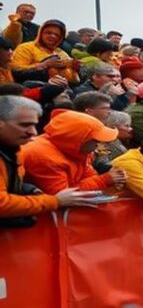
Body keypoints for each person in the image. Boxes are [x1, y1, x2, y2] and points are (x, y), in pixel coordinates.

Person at [0, 96, 102, 224]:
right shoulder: (39, 152)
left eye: (34, 125)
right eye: (24, 125)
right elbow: (2, 204)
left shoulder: (13, 150)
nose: (33, 132)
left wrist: (28, 189)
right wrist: (55, 201)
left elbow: (10, 185)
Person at [20, 110, 127, 195]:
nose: (98, 145)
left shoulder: (77, 150)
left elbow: (89, 176)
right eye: (95, 140)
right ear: (77, 139)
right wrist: (104, 180)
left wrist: (112, 180)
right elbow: (62, 196)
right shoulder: (43, 155)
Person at [9, 19, 80, 85]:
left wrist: (75, 69)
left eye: (56, 35)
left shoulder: (61, 53)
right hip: (32, 85)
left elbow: (73, 80)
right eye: (48, 33)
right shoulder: (25, 47)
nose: (52, 36)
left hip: (62, 85)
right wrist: (43, 65)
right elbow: (15, 70)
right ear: (40, 33)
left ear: (61, 38)